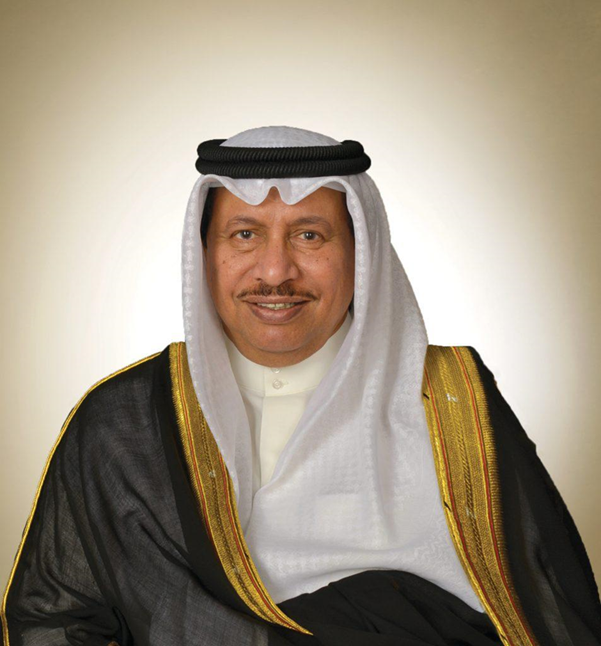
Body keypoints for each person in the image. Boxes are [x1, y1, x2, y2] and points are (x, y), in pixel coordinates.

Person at [1, 125, 600, 646]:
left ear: (361, 254)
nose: (275, 271)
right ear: (203, 254)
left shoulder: (455, 402)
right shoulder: (123, 421)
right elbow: (53, 617)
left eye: (309, 235)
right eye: (244, 235)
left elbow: (552, 609)